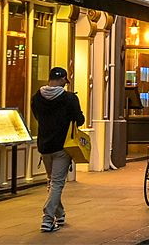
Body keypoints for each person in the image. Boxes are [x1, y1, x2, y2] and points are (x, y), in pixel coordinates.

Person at [31, 67, 85, 233]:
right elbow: (80, 120)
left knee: (52, 181)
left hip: (44, 146)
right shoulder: (69, 98)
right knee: (57, 183)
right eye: (64, 81)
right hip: (62, 146)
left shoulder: (37, 97)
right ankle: (47, 219)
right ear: (62, 79)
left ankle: (59, 214)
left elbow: (37, 116)